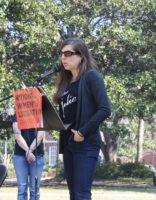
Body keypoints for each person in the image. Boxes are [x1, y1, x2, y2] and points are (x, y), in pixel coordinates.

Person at [54, 37, 111, 200]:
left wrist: (82, 132)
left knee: (81, 195)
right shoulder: (66, 83)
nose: (63, 57)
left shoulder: (91, 76)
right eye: (61, 54)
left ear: (81, 56)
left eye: (68, 53)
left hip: (86, 144)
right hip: (69, 144)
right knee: (74, 195)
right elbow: (65, 116)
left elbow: (105, 109)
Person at [11, 108, 45, 200]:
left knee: (35, 190)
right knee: (22, 189)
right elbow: (17, 135)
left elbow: (41, 135)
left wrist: (29, 151)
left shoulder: (41, 114)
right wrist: (28, 151)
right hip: (20, 156)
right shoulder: (17, 114)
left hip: (37, 155)